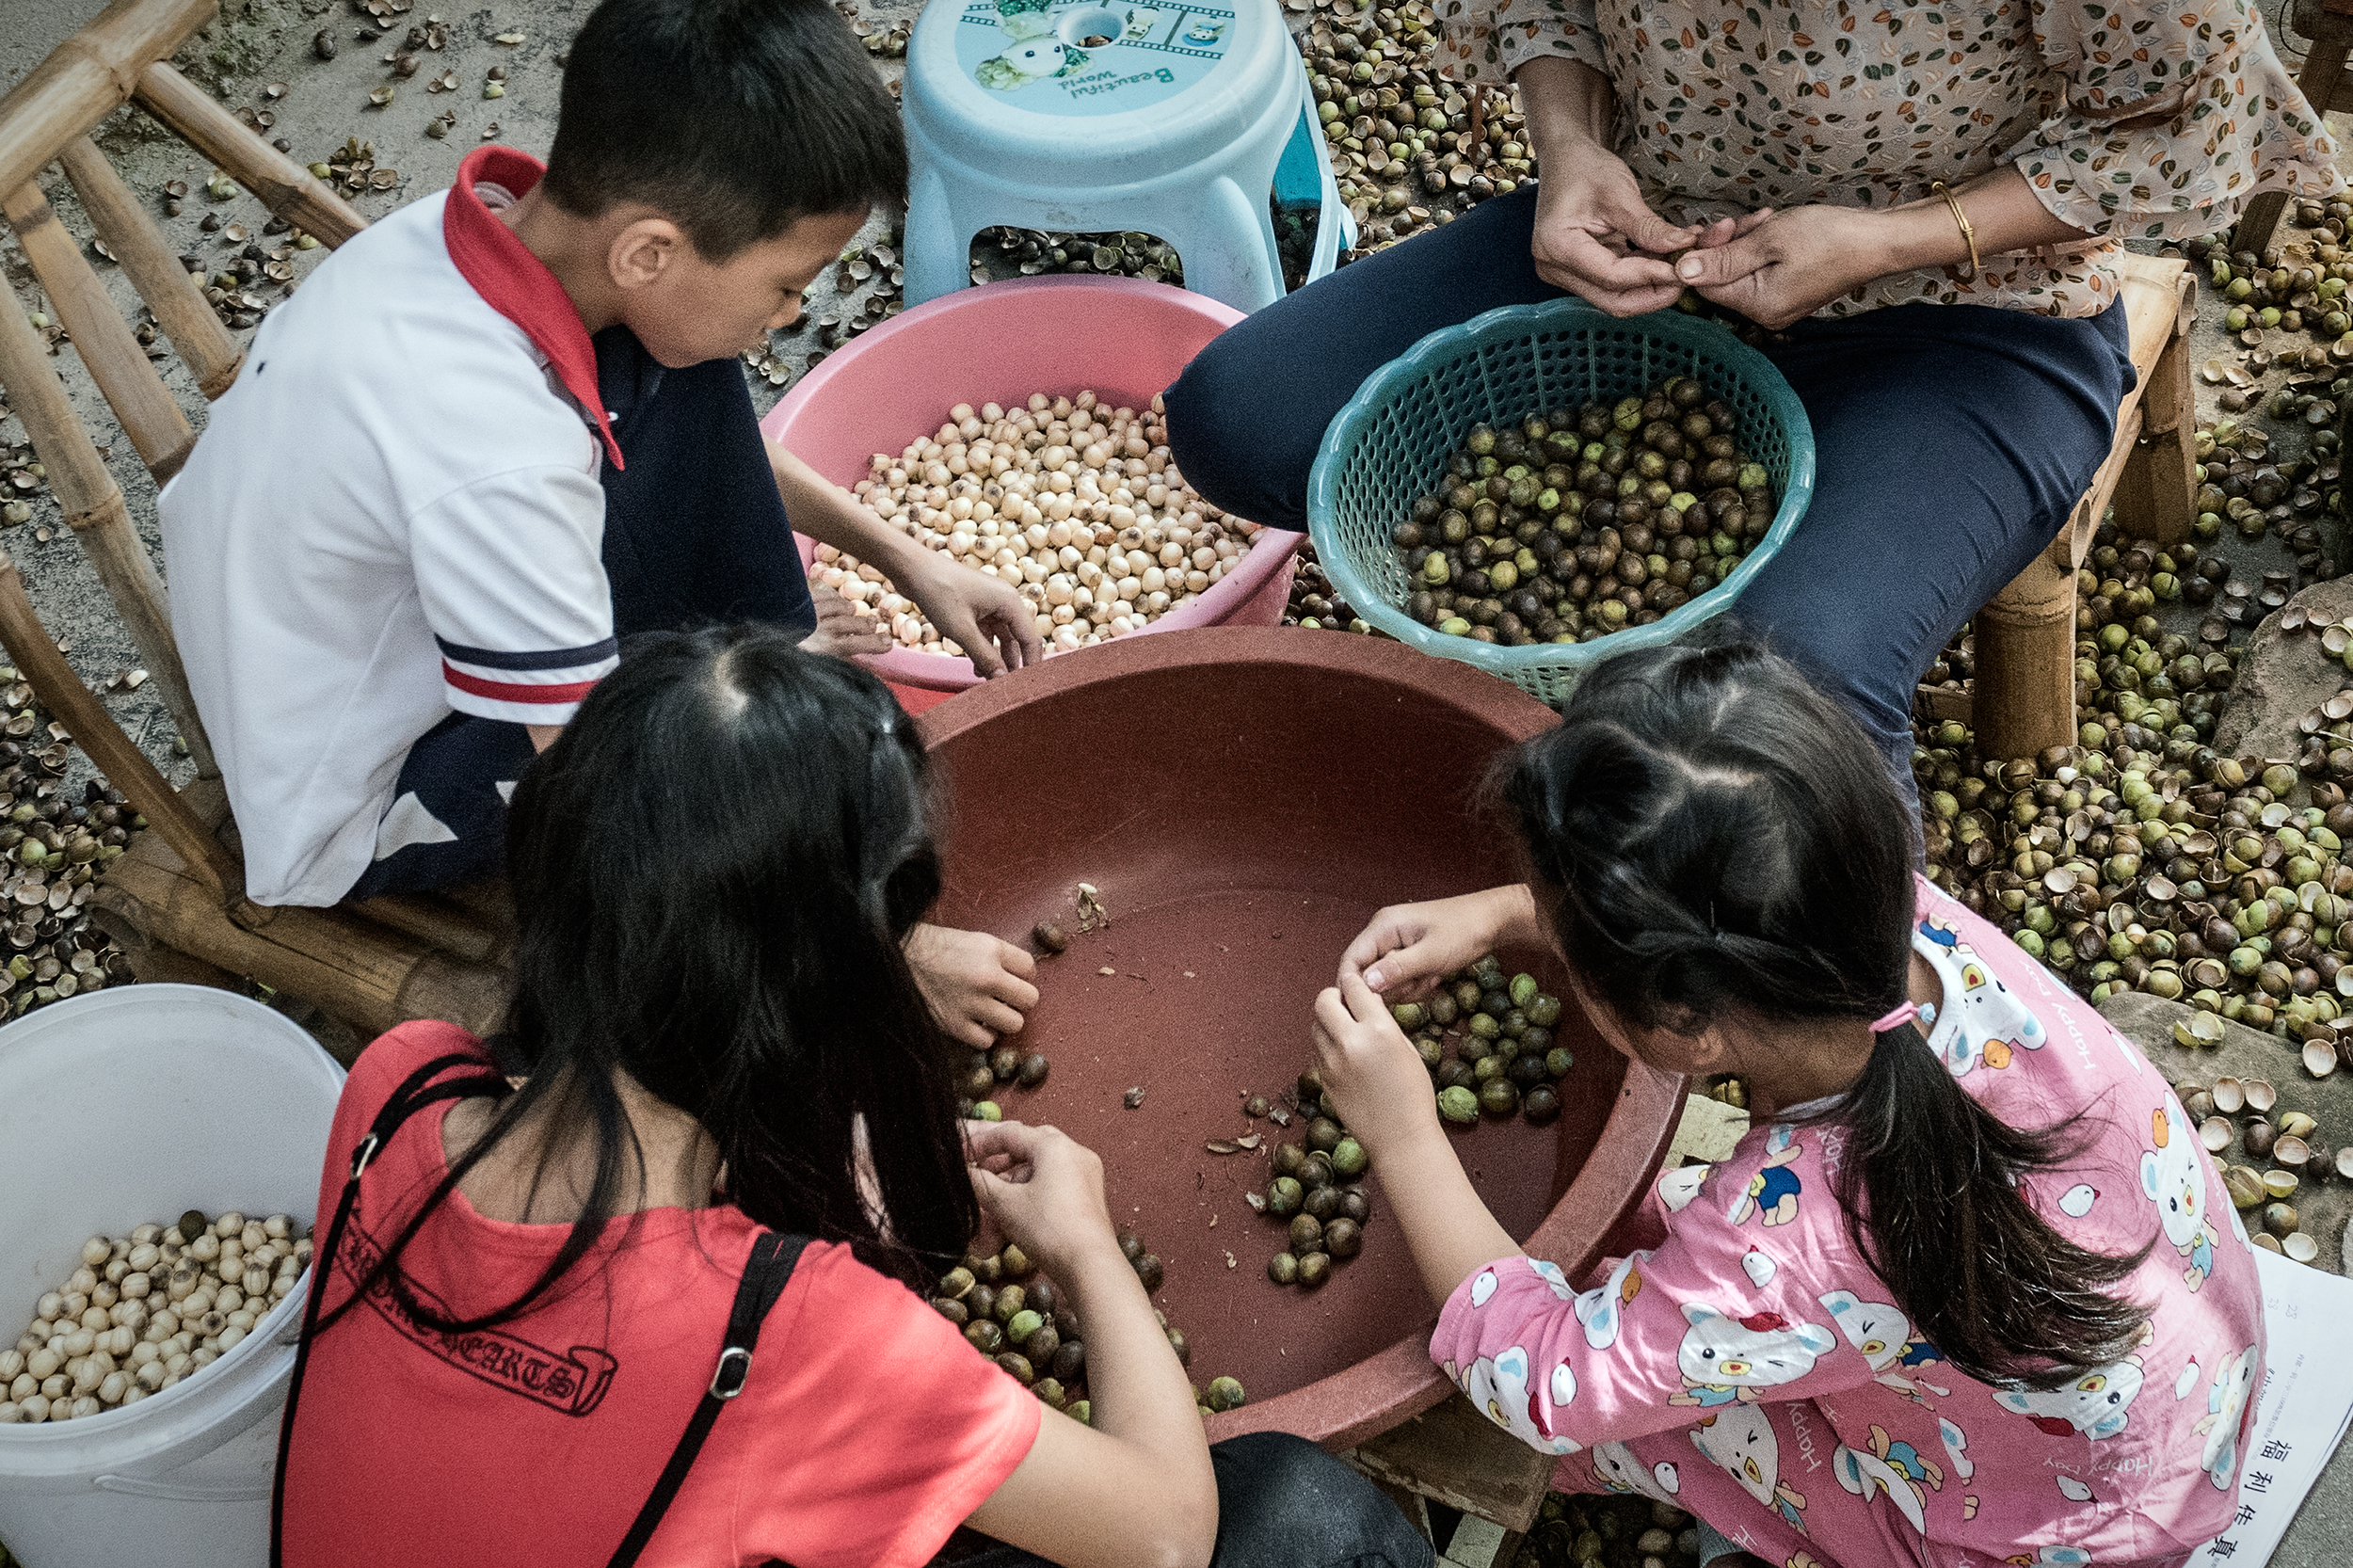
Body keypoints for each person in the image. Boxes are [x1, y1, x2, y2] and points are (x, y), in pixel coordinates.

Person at [275, 624, 1432, 1568]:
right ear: (838, 992)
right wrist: (1087, 1252)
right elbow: (1167, 1537)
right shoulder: (795, 1332)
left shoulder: (399, 1085)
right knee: (1304, 1523)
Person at [1165, 0, 2337, 817]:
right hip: (1659, 254)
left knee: (1788, 700)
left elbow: (2172, 125)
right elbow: (1548, 10)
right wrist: (1570, 154)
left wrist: (1881, 241)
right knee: (1238, 413)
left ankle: (1853, 1074)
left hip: (1965, 308)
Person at [160, 0, 1036, 1042]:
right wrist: (890, 951)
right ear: (649, 251)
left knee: (687, 360)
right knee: (703, 754)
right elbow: (621, 802)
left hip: (349, 639)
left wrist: (907, 559)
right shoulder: (497, 457)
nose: (791, 316)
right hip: (366, 794)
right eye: (787, 286)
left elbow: (686, 402)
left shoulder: (488, 240)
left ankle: (764, 658)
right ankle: (756, 683)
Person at [1310, 642, 2265, 1568]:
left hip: (2055, 1527)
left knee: (1578, 1438)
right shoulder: (1884, 918)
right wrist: (1502, 911)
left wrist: (1401, 1133)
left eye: (1567, 933)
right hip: (2188, 1376)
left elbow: (1545, 1384)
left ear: (1683, 1032)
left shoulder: (1787, 1246)